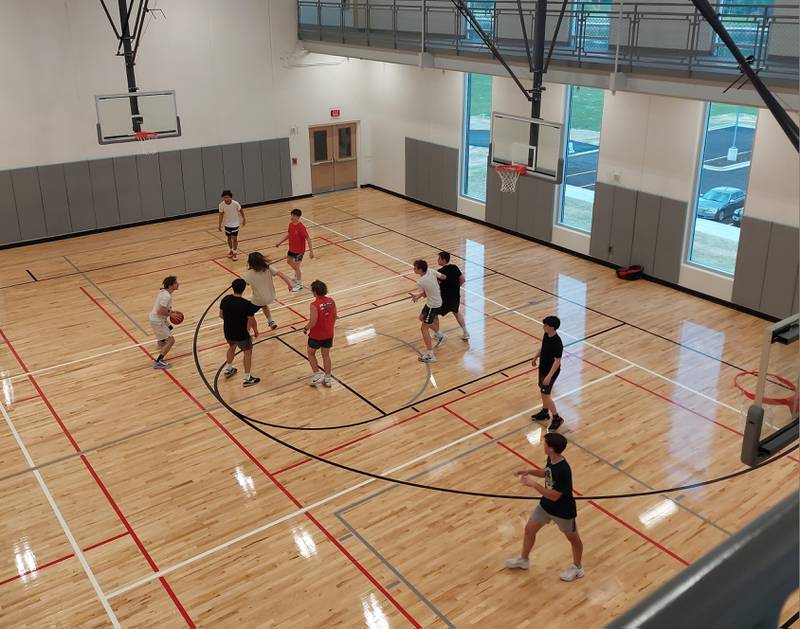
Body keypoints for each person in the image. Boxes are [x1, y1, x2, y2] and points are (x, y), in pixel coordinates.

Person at [505, 432, 584, 582]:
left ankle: (578, 568)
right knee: (529, 530)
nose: (544, 445)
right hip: (546, 506)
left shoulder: (564, 470)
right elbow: (546, 473)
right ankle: (524, 560)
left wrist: (533, 484)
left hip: (563, 510)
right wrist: (530, 471)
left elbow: (554, 495)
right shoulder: (552, 459)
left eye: (545, 444)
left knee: (573, 539)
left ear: (551, 449)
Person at [219, 278, 261, 387]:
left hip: (228, 331)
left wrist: (230, 321)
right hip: (241, 333)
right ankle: (247, 378)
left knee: (232, 347)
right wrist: (255, 330)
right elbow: (251, 320)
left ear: (232, 288)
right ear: (243, 289)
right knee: (247, 352)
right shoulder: (246, 304)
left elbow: (221, 315)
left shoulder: (226, 299)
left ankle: (229, 369)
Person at [530, 315, 565, 432]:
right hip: (543, 368)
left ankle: (557, 418)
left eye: (545, 325)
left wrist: (549, 376)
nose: (543, 326)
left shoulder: (557, 342)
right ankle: (545, 412)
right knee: (542, 391)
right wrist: (535, 357)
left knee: (545, 394)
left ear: (552, 327)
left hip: (551, 372)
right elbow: (543, 347)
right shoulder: (546, 335)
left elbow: (557, 361)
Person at [243, 252, 294, 330]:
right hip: (271, 297)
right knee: (264, 305)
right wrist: (289, 284)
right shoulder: (268, 267)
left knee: (248, 313)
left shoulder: (249, 273)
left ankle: (247, 331)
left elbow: (242, 284)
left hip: (259, 300)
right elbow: (281, 274)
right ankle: (271, 321)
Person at [411, 259, 446, 364]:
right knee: (421, 318)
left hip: (433, 305)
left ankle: (431, 355)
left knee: (423, 328)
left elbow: (425, 294)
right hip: (436, 301)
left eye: (415, 268)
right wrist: (435, 285)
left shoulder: (421, 281)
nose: (413, 269)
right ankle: (441, 335)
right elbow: (443, 277)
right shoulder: (431, 271)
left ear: (420, 269)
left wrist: (418, 296)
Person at [304, 280, 337, 387]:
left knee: (310, 353)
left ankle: (317, 374)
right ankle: (327, 378)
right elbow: (335, 316)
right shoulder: (331, 301)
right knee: (326, 355)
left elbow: (313, 322)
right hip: (329, 333)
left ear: (314, 291)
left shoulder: (314, 305)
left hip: (316, 335)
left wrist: (306, 328)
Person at [275, 208, 314, 292]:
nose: (291, 217)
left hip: (299, 251)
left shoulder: (301, 227)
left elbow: (308, 239)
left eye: (293, 215)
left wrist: (311, 251)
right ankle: (297, 272)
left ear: (297, 217)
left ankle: (299, 284)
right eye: (291, 215)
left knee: (296, 267)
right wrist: (280, 242)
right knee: (289, 261)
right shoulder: (291, 225)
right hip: (291, 249)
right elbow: (289, 234)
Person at [436, 251, 469, 341]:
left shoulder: (440, 272)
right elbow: (462, 279)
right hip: (455, 297)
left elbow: (437, 285)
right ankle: (466, 333)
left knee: (434, 314)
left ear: (443, 260)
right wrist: (456, 287)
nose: (437, 260)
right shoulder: (455, 267)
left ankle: (438, 334)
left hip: (445, 299)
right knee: (457, 313)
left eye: (439, 258)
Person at [149, 276, 179, 369]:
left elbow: (164, 308)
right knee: (171, 341)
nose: (178, 284)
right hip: (158, 320)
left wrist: (171, 311)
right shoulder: (166, 296)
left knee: (170, 328)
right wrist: (171, 314)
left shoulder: (164, 292)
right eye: (176, 282)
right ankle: (159, 361)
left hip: (157, 319)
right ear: (171, 285)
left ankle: (161, 342)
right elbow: (160, 311)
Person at [218, 190, 246, 261]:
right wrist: (219, 225)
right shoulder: (221, 205)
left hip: (235, 224)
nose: (226, 199)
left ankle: (235, 252)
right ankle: (231, 250)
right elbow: (221, 215)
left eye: (227, 197)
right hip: (227, 224)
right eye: (224, 197)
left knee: (234, 238)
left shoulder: (235, 203)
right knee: (229, 238)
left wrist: (244, 219)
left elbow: (241, 210)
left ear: (230, 197)